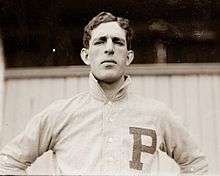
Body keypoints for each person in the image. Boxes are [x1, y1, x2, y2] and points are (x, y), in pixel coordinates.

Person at [0, 12, 208, 175]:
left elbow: (196, 164)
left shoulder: (156, 114)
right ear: (86, 55)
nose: (109, 49)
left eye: (117, 42)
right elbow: (8, 163)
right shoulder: (59, 114)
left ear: (128, 57)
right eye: (100, 41)